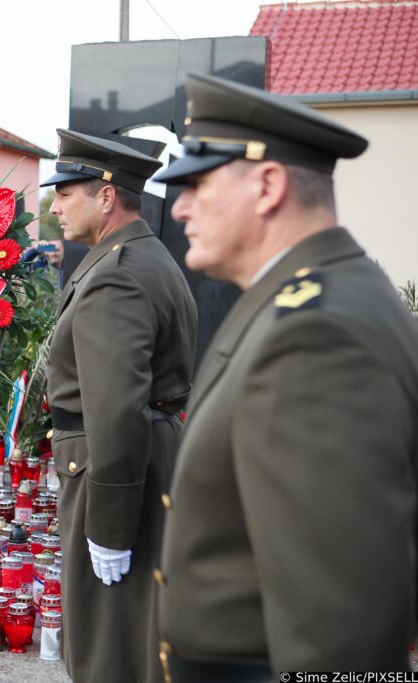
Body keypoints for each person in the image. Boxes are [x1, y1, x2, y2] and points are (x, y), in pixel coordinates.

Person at [154, 73, 418, 676]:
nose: (180, 205)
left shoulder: (313, 337)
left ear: (268, 185)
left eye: (196, 182)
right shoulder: (316, 297)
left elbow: (341, 628)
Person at [43, 129, 197, 682]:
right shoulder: (141, 257)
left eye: (66, 193)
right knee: (134, 630)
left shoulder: (115, 277)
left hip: (110, 468)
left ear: (105, 196)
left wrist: (108, 527)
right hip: (136, 458)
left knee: (108, 640)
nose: (55, 206)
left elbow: (115, 411)